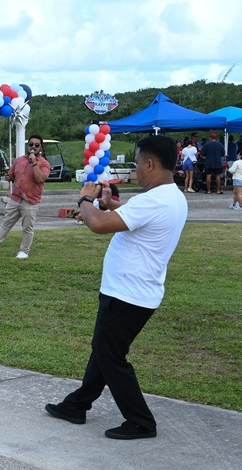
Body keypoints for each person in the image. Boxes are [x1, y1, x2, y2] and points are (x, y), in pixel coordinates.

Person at [45, 135, 188, 440]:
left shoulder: (153, 199)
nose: (136, 168)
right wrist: (113, 205)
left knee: (111, 356)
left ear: (150, 164)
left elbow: (97, 224)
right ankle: (77, 405)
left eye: (137, 163)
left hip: (127, 294)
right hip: (137, 292)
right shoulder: (171, 196)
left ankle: (141, 421)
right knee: (104, 349)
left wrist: (85, 199)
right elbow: (136, 218)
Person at [0, 135, 50, 259]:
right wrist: (10, 177)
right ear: (27, 146)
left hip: (31, 201)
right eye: (31, 144)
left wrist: (34, 162)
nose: (33, 147)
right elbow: (13, 176)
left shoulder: (44, 164)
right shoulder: (18, 160)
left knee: (27, 227)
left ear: (40, 147)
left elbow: (40, 179)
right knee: (6, 223)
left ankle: (24, 251)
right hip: (16, 198)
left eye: (36, 145)